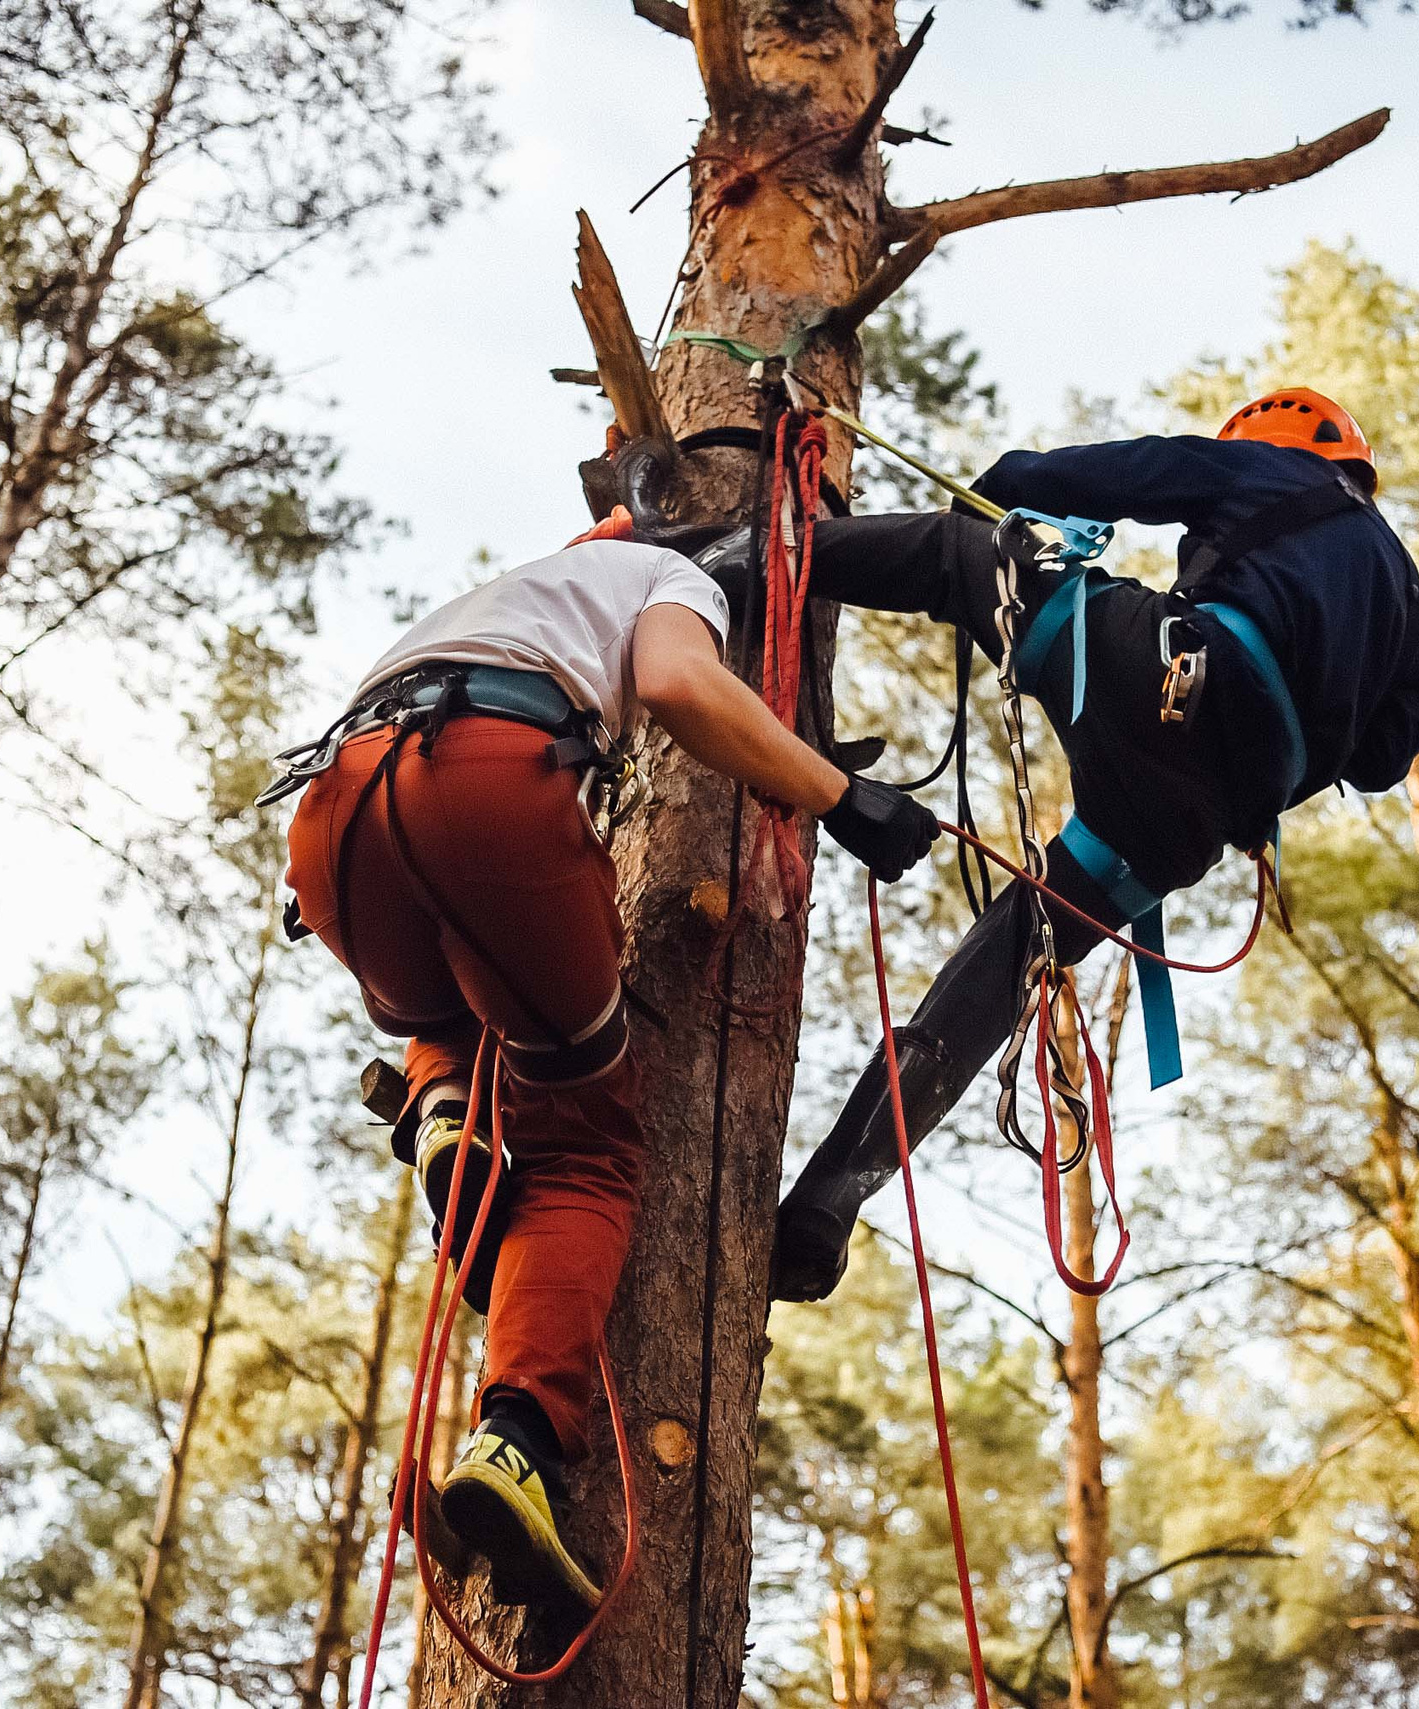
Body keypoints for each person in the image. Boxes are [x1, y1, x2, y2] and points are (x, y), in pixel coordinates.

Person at [272, 521, 937, 1614]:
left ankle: (446, 1113)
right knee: (587, 1143)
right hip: (482, 780)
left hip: (338, 817)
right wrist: (842, 797)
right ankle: (518, 1442)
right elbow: (678, 683)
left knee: (444, 1002)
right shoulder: (672, 579)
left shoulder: (512, 586)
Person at [758, 387, 1419, 1302]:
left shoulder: (1272, 467)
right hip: (1193, 817)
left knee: (958, 555)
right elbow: (1383, 760)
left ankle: (711, 562)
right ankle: (826, 1202)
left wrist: (999, 492)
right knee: (1006, 964)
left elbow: (1137, 472)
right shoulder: (1406, 602)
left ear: (1278, 444)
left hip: (1157, 675)